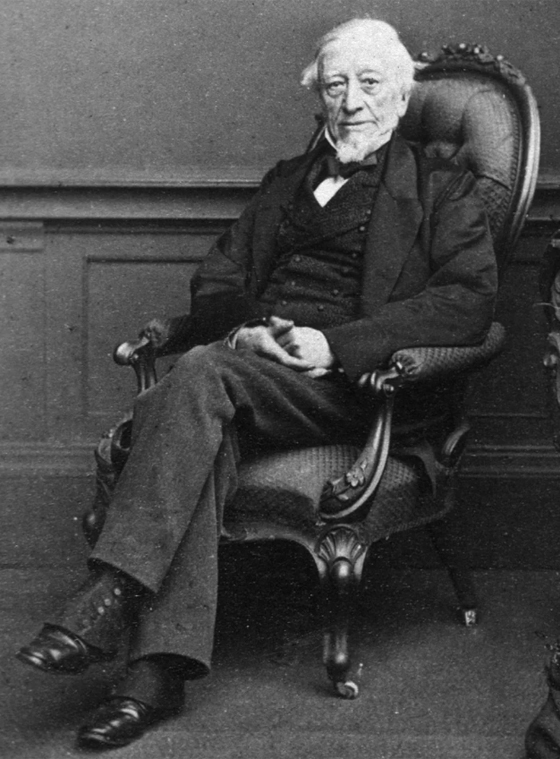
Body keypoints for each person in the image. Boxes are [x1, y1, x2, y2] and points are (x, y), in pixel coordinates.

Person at [16, 17, 497, 750]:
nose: (352, 102)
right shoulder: (285, 182)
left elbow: (467, 301)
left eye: (370, 84)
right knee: (207, 396)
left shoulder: (443, 189)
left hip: (356, 390)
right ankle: (154, 677)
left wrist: (334, 344)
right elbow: (217, 277)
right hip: (252, 376)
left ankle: (112, 591)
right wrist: (245, 329)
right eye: (335, 86)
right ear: (319, 98)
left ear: (402, 99)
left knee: (196, 373)